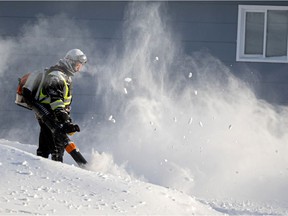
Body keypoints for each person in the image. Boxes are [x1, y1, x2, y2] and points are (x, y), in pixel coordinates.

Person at [23, 49, 87, 162]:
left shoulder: (64, 76)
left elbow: (62, 104)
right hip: (48, 114)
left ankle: (40, 169)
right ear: (70, 62)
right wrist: (65, 121)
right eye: (77, 65)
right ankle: (53, 173)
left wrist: (67, 121)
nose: (79, 69)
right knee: (57, 148)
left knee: (46, 147)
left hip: (52, 114)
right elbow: (56, 101)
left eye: (80, 66)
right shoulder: (56, 76)